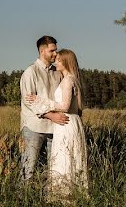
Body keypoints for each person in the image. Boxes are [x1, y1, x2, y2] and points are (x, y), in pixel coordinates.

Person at [26, 48, 88, 196]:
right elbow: (79, 108)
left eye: (59, 59)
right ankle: (75, 193)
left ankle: (63, 196)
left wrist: (41, 101)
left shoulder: (67, 80)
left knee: (64, 158)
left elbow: (65, 106)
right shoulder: (75, 79)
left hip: (65, 123)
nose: (56, 61)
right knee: (73, 158)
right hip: (74, 122)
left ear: (65, 62)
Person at [19, 35, 68, 180]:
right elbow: (30, 102)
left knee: (53, 168)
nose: (56, 54)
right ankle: (22, 199)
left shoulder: (57, 72)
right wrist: (52, 115)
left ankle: (49, 200)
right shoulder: (31, 72)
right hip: (34, 127)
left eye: (56, 50)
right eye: (52, 51)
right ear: (42, 51)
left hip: (54, 128)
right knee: (28, 168)